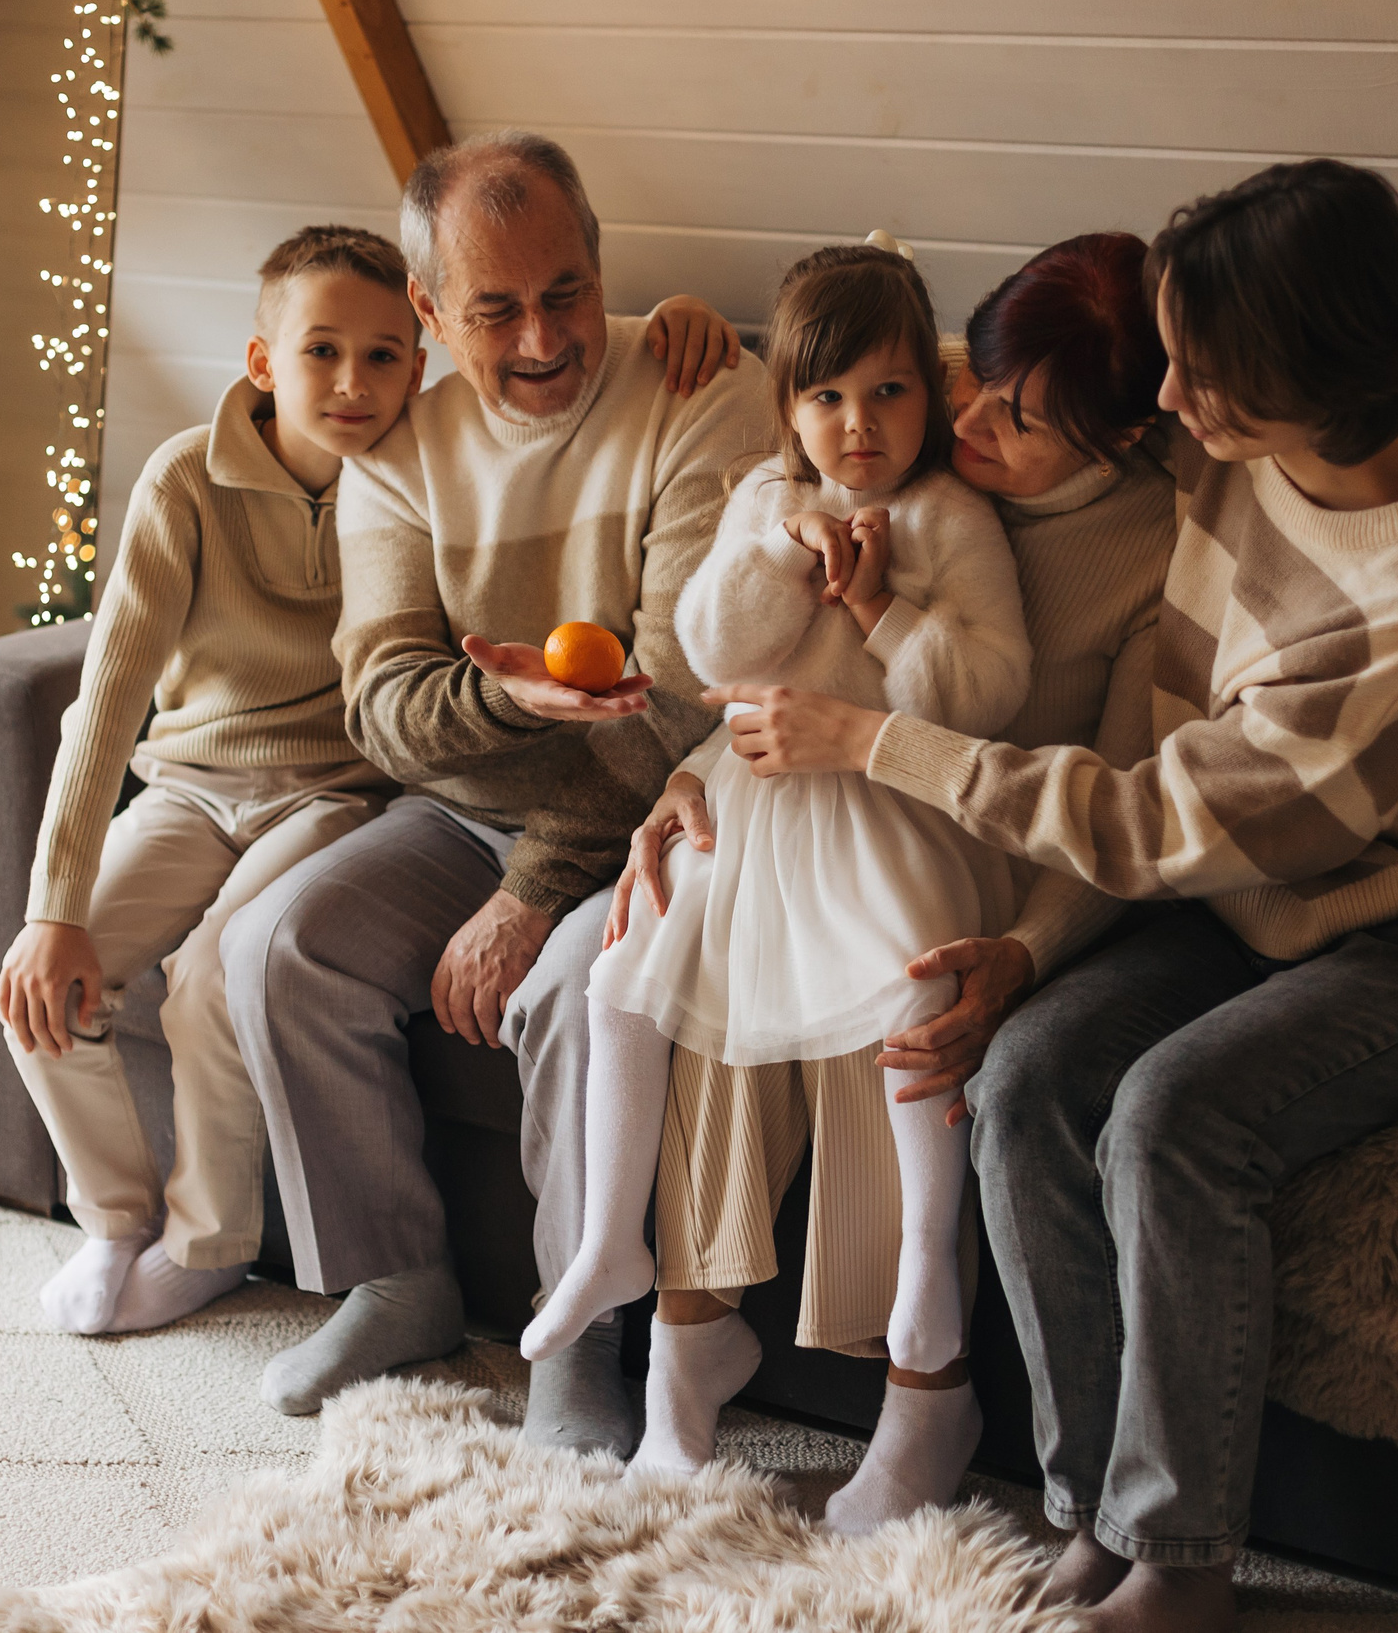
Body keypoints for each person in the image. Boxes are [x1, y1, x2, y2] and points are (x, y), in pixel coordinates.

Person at [703, 161, 1398, 1630]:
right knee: (1023, 1082)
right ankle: (1086, 1504)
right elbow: (955, 389)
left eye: (1201, 376)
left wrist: (875, 740)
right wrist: (1027, 951)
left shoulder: (1395, 613)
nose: (1174, 399)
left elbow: (1150, 814)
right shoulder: (1224, 448)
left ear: (1299, 381)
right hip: (1240, 889)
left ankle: (1184, 1559)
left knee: (1173, 1117)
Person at [0, 221, 737, 1339]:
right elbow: (104, 702)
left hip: (336, 793)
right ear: (262, 364)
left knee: (213, 980)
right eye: (320, 354)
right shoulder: (186, 483)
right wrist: (53, 908)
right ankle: (111, 1221)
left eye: (384, 356)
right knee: (45, 983)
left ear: (423, 352)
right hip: (197, 785)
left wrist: (672, 322)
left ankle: (208, 1244)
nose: (353, 384)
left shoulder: (413, 469)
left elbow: (578, 371)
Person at [594, 230, 1185, 1533]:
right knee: (716, 982)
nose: (969, 417)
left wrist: (1025, 950)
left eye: (1018, 418)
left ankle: (927, 1396)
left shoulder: (1159, 556)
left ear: (1118, 439)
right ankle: (682, 1357)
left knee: (903, 1008)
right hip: (813, 792)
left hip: (1008, 841)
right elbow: (762, 641)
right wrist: (690, 775)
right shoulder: (900, 429)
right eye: (971, 379)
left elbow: (1138, 812)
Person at [219, 131, 770, 1441]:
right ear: (427, 309)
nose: (540, 341)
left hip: (669, 814)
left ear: (599, 261)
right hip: (476, 801)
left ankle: (576, 1333)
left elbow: (685, 696)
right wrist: (515, 701)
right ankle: (396, 1276)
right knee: (276, 946)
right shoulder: (399, 444)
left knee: (580, 984)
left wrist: (533, 884)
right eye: (495, 309)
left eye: (565, 292)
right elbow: (389, 711)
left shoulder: (697, 390)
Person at [521, 242, 1032, 1489]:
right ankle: (605, 1248)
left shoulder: (949, 520)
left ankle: (924, 1282)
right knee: (624, 968)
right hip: (753, 808)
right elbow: (711, 649)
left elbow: (989, 692)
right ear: (788, 407)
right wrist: (783, 555)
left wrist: (878, 609)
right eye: (825, 398)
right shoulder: (764, 498)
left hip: (884, 804)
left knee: (912, 988)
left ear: (933, 393)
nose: (857, 427)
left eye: (889, 393)